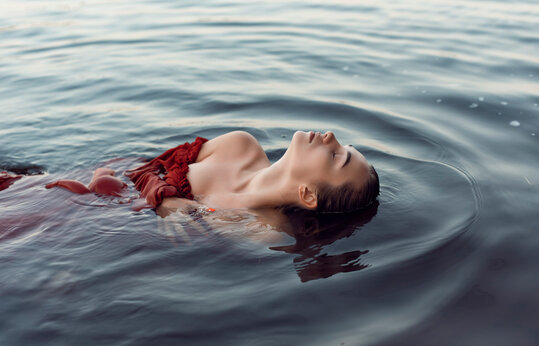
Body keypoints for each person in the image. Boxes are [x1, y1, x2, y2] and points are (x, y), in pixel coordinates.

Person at [45, 130, 380, 216]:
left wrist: (170, 204)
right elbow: (148, 166)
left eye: (337, 157)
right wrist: (167, 203)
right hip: (64, 188)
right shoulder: (240, 145)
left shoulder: (260, 231)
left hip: (70, 217)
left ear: (307, 194)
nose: (331, 136)